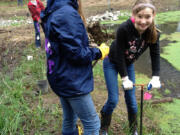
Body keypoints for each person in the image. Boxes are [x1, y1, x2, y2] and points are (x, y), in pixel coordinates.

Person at [40, 0, 109, 134]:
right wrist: (99, 52)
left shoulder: (53, 10)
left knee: (70, 119)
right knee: (93, 124)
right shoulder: (66, 14)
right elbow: (77, 54)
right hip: (72, 80)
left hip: (59, 75)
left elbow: (65, 46)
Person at [100, 0, 161, 135]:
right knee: (113, 99)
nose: (143, 21)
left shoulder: (154, 33)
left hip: (128, 64)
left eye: (147, 17)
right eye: (140, 16)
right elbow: (120, 55)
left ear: (153, 15)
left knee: (132, 101)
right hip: (111, 62)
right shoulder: (124, 29)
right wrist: (125, 78)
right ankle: (103, 126)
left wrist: (156, 76)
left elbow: (155, 55)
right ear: (133, 14)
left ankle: (133, 128)